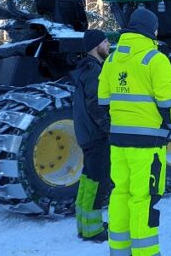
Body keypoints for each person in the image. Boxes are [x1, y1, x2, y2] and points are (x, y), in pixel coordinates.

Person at [99, 8, 171, 254]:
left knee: (120, 193)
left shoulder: (112, 60)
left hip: (118, 142)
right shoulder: (154, 59)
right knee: (143, 198)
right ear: (151, 30)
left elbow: (103, 101)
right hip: (148, 145)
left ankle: (120, 250)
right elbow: (169, 102)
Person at [72, 29, 111, 242]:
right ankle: (93, 230)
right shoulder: (95, 71)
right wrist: (109, 128)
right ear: (96, 46)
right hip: (96, 135)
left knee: (89, 180)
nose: (108, 45)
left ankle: (85, 224)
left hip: (87, 134)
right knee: (99, 181)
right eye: (105, 41)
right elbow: (95, 104)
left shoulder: (86, 68)